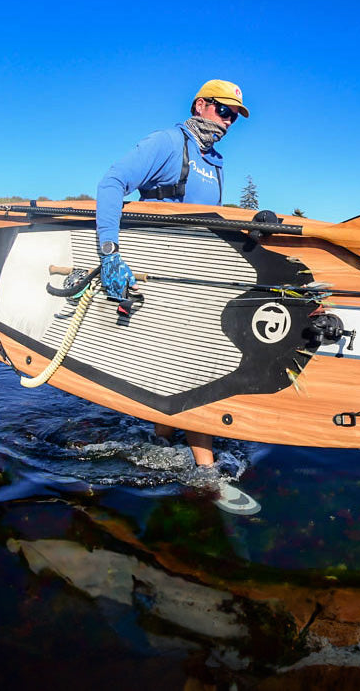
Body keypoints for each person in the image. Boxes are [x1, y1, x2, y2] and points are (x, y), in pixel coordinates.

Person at [95, 78, 249, 468]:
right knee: (197, 367)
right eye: (223, 110)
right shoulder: (167, 143)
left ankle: (158, 447)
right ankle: (207, 473)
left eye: (235, 117)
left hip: (195, 283)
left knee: (175, 370)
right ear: (200, 105)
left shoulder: (214, 163)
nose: (228, 122)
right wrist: (109, 252)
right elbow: (112, 184)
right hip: (162, 275)